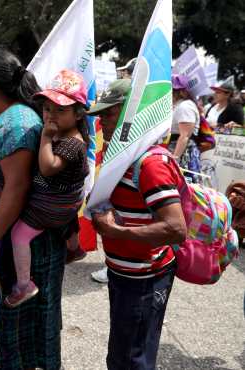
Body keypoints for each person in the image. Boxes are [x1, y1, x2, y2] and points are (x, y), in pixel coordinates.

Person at [0, 47, 66, 370]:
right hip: (7, 229)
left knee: (20, 325)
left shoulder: (18, 122)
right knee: (12, 323)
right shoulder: (8, 116)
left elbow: (16, 187)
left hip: (14, 236)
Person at [88, 79, 187, 370]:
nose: (102, 121)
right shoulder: (119, 157)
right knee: (121, 355)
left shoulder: (149, 163)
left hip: (144, 279)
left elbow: (176, 228)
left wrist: (116, 231)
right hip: (123, 272)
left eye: (109, 113)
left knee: (133, 359)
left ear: (132, 113)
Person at [6, 70, 89, 307]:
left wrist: (45, 136)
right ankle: (74, 248)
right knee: (67, 220)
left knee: (19, 234)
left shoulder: (72, 143)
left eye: (60, 110)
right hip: (68, 204)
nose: (51, 115)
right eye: (47, 109)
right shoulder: (68, 135)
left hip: (54, 205)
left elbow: (48, 168)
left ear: (78, 114)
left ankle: (24, 284)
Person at [169, 74, 201, 182]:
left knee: (186, 186)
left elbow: (184, 136)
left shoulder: (185, 106)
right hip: (176, 148)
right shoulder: (179, 105)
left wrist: (175, 159)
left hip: (184, 152)